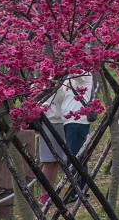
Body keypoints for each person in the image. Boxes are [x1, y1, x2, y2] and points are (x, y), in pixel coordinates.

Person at [37, 72, 93, 206]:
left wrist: (67, 64)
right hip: (66, 121)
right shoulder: (66, 80)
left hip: (78, 120)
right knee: (73, 157)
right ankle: (78, 189)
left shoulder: (84, 75)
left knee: (74, 157)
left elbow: (77, 73)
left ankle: (77, 190)